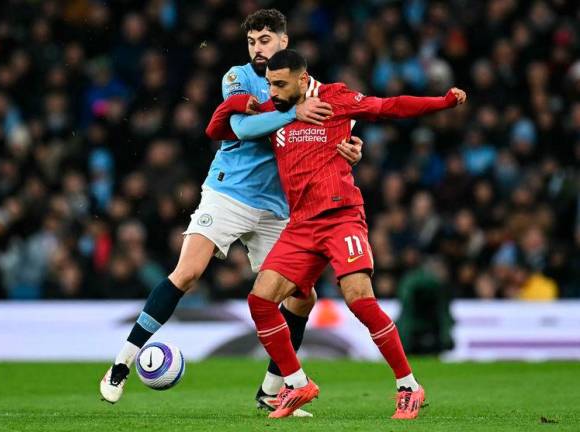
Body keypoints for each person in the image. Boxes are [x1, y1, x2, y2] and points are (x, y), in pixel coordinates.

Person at [99, 10, 363, 417]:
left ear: (284, 42)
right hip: (229, 192)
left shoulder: (310, 89)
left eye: (265, 40)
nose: (258, 48)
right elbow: (240, 127)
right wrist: (293, 114)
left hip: (277, 206)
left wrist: (350, 150)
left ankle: (272, 392)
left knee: (302, 297)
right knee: (187, 273)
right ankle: (120, 366)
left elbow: (325, 135)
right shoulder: (237, 78)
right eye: (252, 41)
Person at [206, 49, 466, 418]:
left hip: (340, 215)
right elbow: (215, 129)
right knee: (260, 301)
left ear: (301, 78)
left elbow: (389, 106)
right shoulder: (275, 110)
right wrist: (236, 101)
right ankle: (297, 384)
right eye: (269, 84)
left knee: (359, 299)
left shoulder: (335, 98)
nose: (273, 91)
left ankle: (408, 385)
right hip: (301, 225)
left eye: (279, 84)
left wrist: (442, 102)